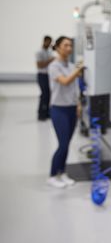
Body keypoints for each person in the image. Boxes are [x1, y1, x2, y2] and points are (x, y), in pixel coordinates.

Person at [47, 36, 84, 188]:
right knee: (62, 144)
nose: (69, 48)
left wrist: (78, 104)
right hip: (58, 109)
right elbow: (65, 81)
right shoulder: (54, 66)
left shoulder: (69, 65)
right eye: (66, 45)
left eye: (70, 45)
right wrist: (78, 70)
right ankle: (52, 175)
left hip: (71, 108)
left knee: (67, 144)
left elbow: (75, 87)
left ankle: (62, 173)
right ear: (57, 47)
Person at [36, 35, 55, 120]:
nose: (49, 44)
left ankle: (47, 112)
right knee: (44, 95)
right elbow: (39, 65)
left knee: (49, 95)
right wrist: (50, 60)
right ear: (44, 41)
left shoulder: (50, 52)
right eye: (48, 42)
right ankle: (41, 114)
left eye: (50, 42)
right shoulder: (39, 52)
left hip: (49, 75)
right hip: (42, 75)